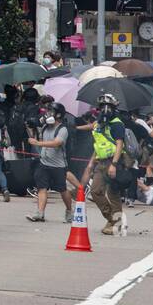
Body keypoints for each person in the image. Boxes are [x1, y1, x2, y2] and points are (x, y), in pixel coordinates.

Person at [81, 93, 128, 236]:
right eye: (102, 107)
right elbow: (98, 143)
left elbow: (119, 144)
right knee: (95, 191)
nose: (105, 110)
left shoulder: (117, 123)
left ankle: (117, 223)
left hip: (114, 161)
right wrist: (90, 163)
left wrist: (114, 164)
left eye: (108, 107)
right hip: (100, 162)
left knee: (113, 193)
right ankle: (111, 219)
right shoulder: (99, 124)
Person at [25, 103, 74, 223]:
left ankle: (69, 211)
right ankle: (40, 213)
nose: (47, 114)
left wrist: (37, 143)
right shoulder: (46, 127)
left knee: (62, 190)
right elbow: (35, 133)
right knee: (42, 188)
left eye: (51, 111)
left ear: (58, 115)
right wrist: (30, 127)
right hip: (44, 163)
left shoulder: (62, 129)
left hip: (58, 165)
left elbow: (56, 143)